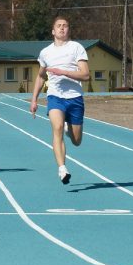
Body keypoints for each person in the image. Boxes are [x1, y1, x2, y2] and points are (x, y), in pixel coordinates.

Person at [29, 17, 90, 184]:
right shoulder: (45, 52)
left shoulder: (76, 48)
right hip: (55, 96)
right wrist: (34, 100)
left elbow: (85, 74)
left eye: (65, 26)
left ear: (68, 30)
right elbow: (41, 77)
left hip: (75, 97)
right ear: (53, 31)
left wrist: (64, 72)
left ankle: (68, 129)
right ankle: (62, 169)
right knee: (56, 128)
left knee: (76, 141)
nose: (62, 28)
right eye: (59, 26)